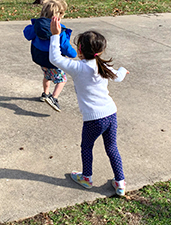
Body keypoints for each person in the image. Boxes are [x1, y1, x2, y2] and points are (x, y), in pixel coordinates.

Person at [49, 16, 130, 196]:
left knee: (87, 147)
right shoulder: (103, 66)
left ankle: (86, 178)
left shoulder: (78, 68)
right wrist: (123, 70)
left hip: (94, 119)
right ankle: (120, 182)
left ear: (79, 50)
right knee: (112, 148)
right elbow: (119, 76)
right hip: (111, 113)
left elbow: (55, 58)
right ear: (100, 51)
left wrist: (55, 35)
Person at [23, 0, 76, 112]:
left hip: (40, 59)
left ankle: (45, 94)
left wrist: (32, 26)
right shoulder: (59, 30)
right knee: (62, 80)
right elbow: (67, 49)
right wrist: (74, 53)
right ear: (60, 16)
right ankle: (54, 97)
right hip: (54, 62)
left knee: (47, 76)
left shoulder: (37, 27)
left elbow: (27, 34)